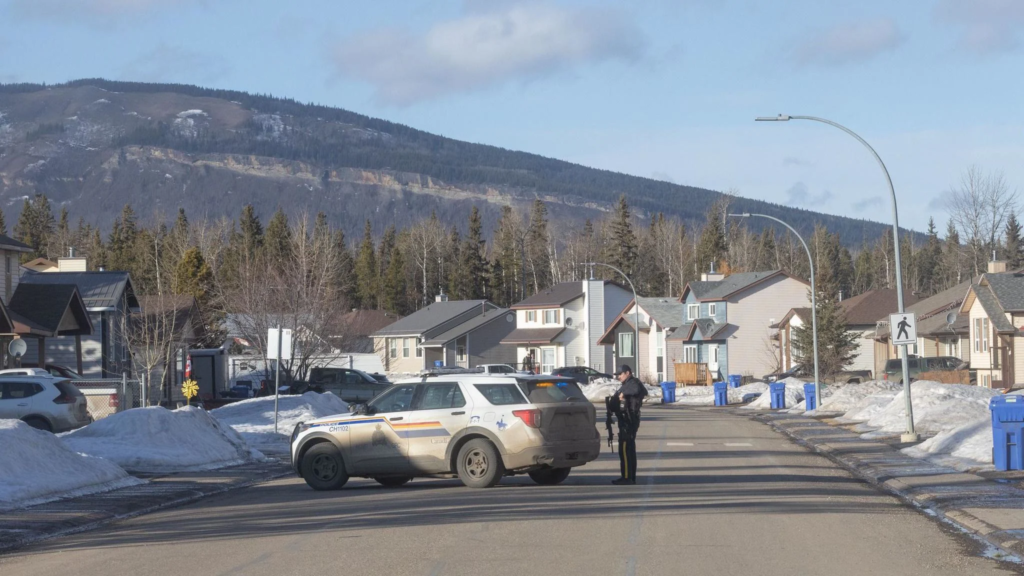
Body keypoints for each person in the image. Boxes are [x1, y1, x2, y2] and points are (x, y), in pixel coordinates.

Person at [612, 364, 647, 485]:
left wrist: (623, 393)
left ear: (627, 373)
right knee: (628, 449)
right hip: (626, 420)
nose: (619, 377)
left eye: (620, 374)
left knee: (625, 449)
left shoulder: (633, 383)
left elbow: (638, 390)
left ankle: (627, 477)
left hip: (629, 420)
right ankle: (630, 476)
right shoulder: (627, 384)